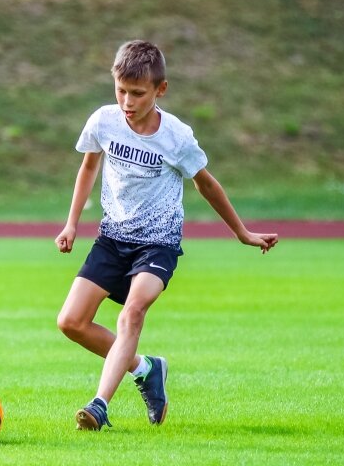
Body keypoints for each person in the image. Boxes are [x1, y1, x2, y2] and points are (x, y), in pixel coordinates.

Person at [54, 39, 278, 431]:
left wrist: (242, 233)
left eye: (137, 93)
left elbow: (207, 185)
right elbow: (89, 167)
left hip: (158, 244)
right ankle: (146, 368)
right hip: (113, 238)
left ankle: (99, 405)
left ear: (161, 89)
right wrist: (72, 222)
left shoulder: (176, 137)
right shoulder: (103, 121)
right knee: (71, 322)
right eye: (121, 90)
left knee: (132, 312)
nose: (127, 101)